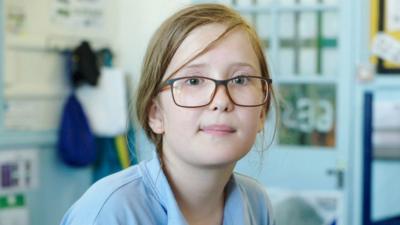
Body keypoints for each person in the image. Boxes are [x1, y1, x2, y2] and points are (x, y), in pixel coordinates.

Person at [60, 3, 277, 225]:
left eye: (240, 80)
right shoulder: (108, 213)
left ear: (262, 111)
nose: (221, 101)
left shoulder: (256, 204)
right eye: (194, 81)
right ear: (155, 114)